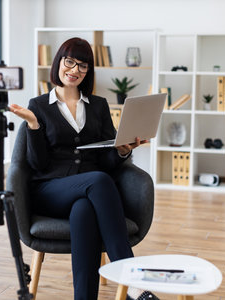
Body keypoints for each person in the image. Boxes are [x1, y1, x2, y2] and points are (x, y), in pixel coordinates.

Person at [9, 37, 158, 300]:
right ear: (59, 62)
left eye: (83, 65)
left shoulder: (98, 106)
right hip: (50, 190)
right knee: (98, 182)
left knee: (84, 212)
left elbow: (105, 162)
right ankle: (133, 282)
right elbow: (37, 165)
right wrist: (34, 126)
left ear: (89, 71)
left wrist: (123, 150)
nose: (75, 70)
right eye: (70, 62)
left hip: (88, 194)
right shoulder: (38, 106)